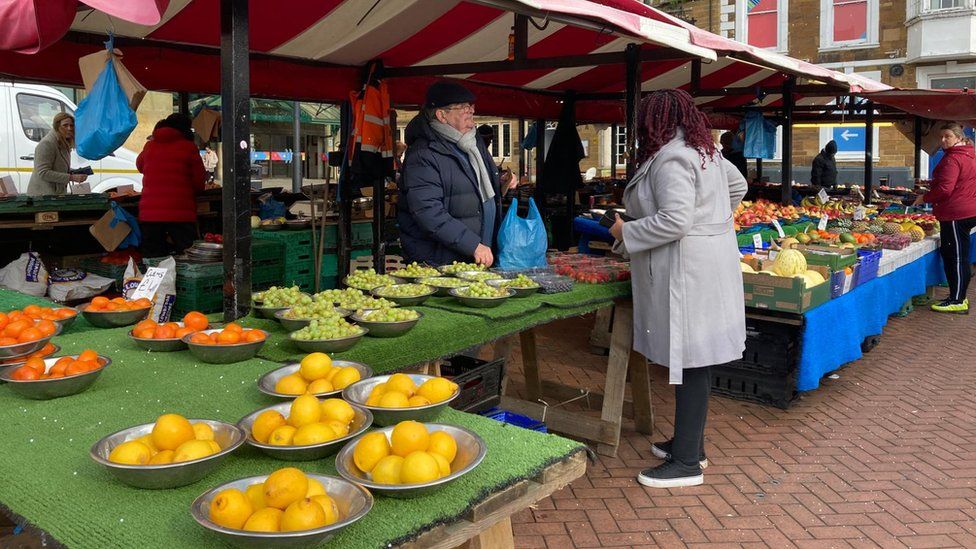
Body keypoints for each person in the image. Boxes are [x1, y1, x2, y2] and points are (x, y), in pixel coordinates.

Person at [609, 89, 747, 488]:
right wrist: (715, 220)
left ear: (655, 121)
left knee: (690, 358)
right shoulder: (706, 151)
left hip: (687, 269)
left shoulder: (672, 157)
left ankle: (686, 462)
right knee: (695, 357)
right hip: (706, 264)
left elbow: (674, 221)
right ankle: (690, 445)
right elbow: (737, 189)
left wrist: (625, 230)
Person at [398, 81, 501, 266]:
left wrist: (502, 183)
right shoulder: (424, 154)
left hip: (475, 256)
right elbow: (428, 211)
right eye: (461, 107)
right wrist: (473, 245)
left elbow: (473, 190)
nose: (470, 111)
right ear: (441, 115)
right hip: (442, 261)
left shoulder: (473, 144)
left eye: (471, 106)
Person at [913, 123, 976, 313]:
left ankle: (958, 300)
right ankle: (957, 297)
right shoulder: (969, 155)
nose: (943, 140)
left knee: (956, 258)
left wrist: (924, 197)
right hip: (966, 210)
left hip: (955, 213)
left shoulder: (953, 159)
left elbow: (945, 189)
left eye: (947, 136)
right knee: (958, 256)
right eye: (941, 137)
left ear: (958, 137)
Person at [136, 113, 206, 257]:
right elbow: (199, 183)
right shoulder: (189, 147)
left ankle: (156, 279)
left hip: (150, 214)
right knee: (187, 256)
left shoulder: (149, 146)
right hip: (181, 213)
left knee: (153, 258)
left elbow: (140, 166)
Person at [27, 112, 87, 196]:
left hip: (54, 194)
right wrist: (71, 177)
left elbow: (58, 167)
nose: (69, 128)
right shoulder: (47, 143)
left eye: (71, 125)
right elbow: (43, 172)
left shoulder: (63, 142)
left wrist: (74, 172)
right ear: (57, 127)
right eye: (65, 125)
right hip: (42, 196)